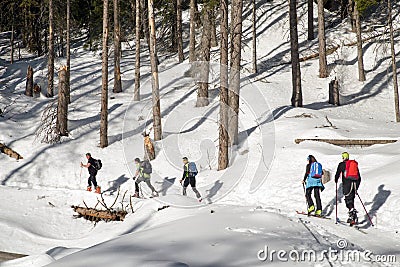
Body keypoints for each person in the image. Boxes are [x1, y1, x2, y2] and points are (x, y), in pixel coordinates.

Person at [335, 152, 361, 225]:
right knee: (351, 199)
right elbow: (359, 176)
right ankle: (353, 215)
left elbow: (337, 175)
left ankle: (352, 213)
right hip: (354, 184)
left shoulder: (341, 164)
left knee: (348, 200)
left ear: (343, 157)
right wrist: (357, 188)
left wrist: (336, 180)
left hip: (347, 185)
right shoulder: (353, 164)